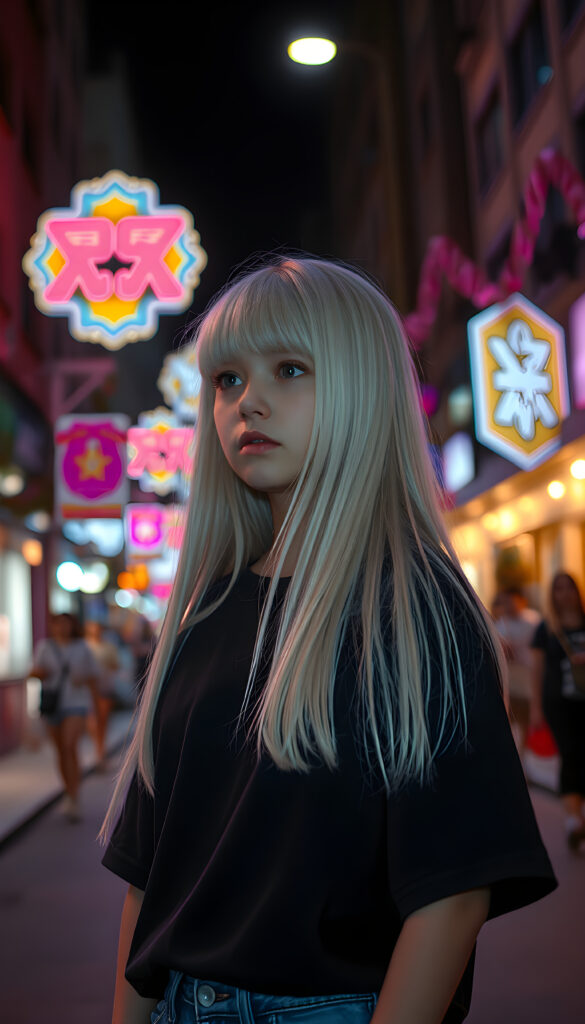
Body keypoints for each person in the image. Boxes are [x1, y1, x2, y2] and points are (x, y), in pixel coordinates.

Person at [101, 256, 556, 1024]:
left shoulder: (417, 611)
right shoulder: (201, 615)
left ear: (362, 386)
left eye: (288, 368)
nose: (249, 402)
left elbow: (449, 897)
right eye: (227, 381)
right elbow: (149, 882)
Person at [531, 571, 585, 850]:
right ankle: (574, 821)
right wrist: (536, 707)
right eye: (558, 588)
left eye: (569, 588)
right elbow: (537, 670)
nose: (564, 594)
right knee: (571, 755)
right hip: (559, 705)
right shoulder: (546, 628)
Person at [30, 612, 98, 822]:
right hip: (53, 705)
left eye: (66, 624)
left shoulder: (82, 648)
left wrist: (85, 684)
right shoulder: (45, 647)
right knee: (61, 751)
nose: (62, 628)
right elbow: (33, 672)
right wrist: (43, 673)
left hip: (76, 704)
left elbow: (94, 676)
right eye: (58, 624)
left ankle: (74, 796)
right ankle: (69, 792)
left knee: (70, 746)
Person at [494, 588, 540, 754]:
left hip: (529, 680)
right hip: (511, 682)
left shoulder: (533, 621)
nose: (508, 605)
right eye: (504, 601)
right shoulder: (499, 625)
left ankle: (527, 755)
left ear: (521, 601)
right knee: (515, 722)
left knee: (529, 721)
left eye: (510, 600)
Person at [85, 620, 120, 770]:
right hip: (87, 690)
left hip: (104, 688)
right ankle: (98, 749)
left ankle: (100, 751)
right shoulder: (84, 646)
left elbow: (116, 665)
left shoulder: (108, 647)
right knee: (92, 721)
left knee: (103, 720)